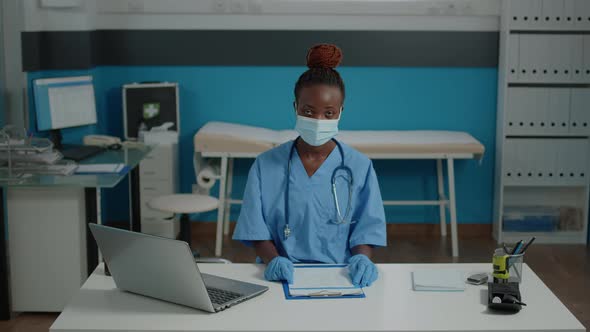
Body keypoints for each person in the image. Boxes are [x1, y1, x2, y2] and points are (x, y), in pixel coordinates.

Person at [233, 44, 386, 287]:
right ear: (295, 108)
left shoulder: (360, 166)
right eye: (308, 111)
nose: (318, 120)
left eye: (328, 113)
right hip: (283, 274)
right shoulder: (266, 165)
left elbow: (367, 229)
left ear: (340, 112)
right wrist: (273, 261)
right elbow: (255, 230)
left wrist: (361, 259)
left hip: (342, 275)